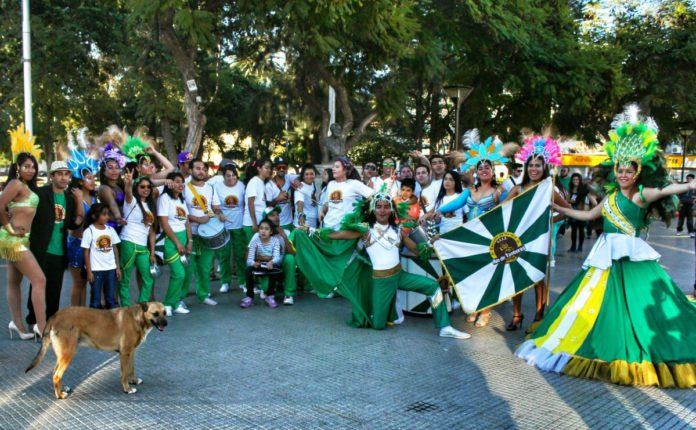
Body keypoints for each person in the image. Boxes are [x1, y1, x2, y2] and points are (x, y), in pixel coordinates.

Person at [516, 106, 696, 388]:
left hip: (631, 259)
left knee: (637, 304)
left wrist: (688, 186)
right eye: (620, 170)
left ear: (637, 173)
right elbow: (587, 215)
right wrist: (553, 206)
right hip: (605, 258)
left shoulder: (640, 195)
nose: (623, 174)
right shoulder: (610, 197)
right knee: (599, 303)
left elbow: (667, 190)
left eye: (629, 170)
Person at [325, 192, 470, 339]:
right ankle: (385, 308)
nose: (382, 210)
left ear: (392, 210)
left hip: (400, 276)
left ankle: (445, 327)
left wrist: (431, 242)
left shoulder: (399, 230)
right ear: (373, 210)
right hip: (380, 282)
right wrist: (311, 232)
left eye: (387, 207)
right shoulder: (365, 230)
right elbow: (337, 235)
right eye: (379, 207)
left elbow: (417, 251)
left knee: (433, 287)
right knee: (378, 325)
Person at [428, 133, 509, 327]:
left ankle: (486, 311)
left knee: (487, 274)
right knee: (473, 274)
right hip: (471, 237)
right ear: (476, 171)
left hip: (489, 237)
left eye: (487, 167)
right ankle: (475, 306)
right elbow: (454, 204)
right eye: (480, 167)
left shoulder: (499, 191)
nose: (483, 170)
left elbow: (508, 211)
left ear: (493, 170)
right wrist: (435, 211)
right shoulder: (470, 191)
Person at [504, 136, 569, 331]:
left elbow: (567, 210)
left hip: (539, 240)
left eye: (538, 166)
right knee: (517, 277)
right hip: (518, 239)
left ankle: (539, 314)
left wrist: (549, 221)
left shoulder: (548, 188)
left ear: (544, 168)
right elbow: (500, 211)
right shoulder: (518, 189)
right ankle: (517, 314)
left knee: (538, 277)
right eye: (530, 165)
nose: (533, 169)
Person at [26, 160, 84, 333]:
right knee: (37, 286)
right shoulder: (40, 193)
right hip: (40, 249)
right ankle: (33, 320)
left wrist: (79, 200)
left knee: (55, 289)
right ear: (51, 176)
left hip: (59, 251)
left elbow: (75, 223)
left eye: (67, 174)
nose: (63, 177)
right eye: (59, 173)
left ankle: (51, 323)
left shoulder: (69, 198)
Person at [0, 127, 47, 339]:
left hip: (20, 239)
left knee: (13, 282)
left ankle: (17, 325)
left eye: (33, 167)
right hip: (12, 240)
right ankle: (41, 326)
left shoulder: (25, 186)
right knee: (39, 279)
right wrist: (10, 227)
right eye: (26, 166)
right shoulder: (16, 183)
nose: (31, 170)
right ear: (17, 167)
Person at [183, 158, 223, 306]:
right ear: (190, 170)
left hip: (207, 234)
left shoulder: (210, 188)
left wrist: (220, 213)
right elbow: (178, 211)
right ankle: (180, 298)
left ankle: (203, 294)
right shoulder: (183, 186)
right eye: (198, 168)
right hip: (189, 234)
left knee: (205, 267)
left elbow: (216, 207)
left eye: (204, 169)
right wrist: (197, 219)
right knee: (188, 267)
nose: (201, 171)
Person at [65, 130, 99, 306]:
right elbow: (77, 220)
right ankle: (73, 317)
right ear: (79, 181)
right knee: (78, 282)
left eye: (93, 178)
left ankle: (82, 315)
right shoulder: (74, 196)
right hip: (76, 243)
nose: (92, 181)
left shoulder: (94, 198)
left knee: (86, 280)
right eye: (88, 178)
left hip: (90, 244)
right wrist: (78, 199)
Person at [117, 172, 157, 306]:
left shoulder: (151, 206)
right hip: (129, 241)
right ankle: (125, 308)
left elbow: (152, 231)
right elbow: (128, 192)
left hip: (142, 247)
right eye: (142, 186)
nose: (146, 189)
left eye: (148, 187)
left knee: (148, 278)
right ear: (137, 188)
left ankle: (143, 306)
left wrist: (152, 252)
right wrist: (128, 183)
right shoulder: (132, 201)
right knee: (125, 278)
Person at [159, 172, 193, 316]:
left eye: (182, 182)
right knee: (178, 274)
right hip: (170, 241)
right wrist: (178, 243)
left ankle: (177, 301)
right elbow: (164, 223)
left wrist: (190, 241)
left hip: (184, 238)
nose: (181, 185)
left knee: (187, 273)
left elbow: (186, 222)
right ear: (170, 183)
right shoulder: (164, 198)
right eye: (177, 182)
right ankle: (167, 303)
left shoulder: (181, 200)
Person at [213, 164, 247, 294]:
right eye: (228, 175)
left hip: (239, 225)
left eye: (233, 175)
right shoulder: (217, 187)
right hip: (223, 226)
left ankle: (243, 281)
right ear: (223, 176)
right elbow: (214, 205)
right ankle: (225, 282)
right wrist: (219, 214)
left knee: (240, 255)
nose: (231, 178)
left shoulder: (242, 186)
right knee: (224, 256)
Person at [82, 203, 121, 309]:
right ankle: (94, 323)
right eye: (104, 214)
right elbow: (86, 252)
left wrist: (117, 267)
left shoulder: (110, 230)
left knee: (111, 298)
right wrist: (89, 271)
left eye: (107, 214)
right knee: (95, 299)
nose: (107, 217)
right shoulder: (89, 231)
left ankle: (111, 322)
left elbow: (115, 249)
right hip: (96, 270)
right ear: (94, 216)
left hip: (111, 269)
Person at [319, 156, 375, 230]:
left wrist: (364, 211)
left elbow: (374, 196)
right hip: (328, 226)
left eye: (337, 167)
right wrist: (322, 210)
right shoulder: (331, 184)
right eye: (333, 167)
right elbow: (329, 203)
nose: (333, 169)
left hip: (345, 229)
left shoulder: (354, 184)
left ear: (345, 170)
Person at [240, 218, 282, 309]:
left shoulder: (275, 241)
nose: (263, 231)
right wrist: (253, 263)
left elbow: (277, 257)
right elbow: (249, 260)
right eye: (261, 228)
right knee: (248, 270)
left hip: (270, 265)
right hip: (259, 265)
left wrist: (271, 261)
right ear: (258, 230)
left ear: (271, 232)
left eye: (266, 229)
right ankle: (249, 297)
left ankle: (270, 296)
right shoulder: (255, 241)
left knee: (275, 269)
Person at [242, 158, 272, 243]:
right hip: (251, 223)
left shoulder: (261, 182)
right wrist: (254, 223)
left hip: (259, 222)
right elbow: (250, 203)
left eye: (270, 168)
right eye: (266, 168)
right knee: (252, 251)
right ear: (259, 168)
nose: (269, 170)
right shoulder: (254, 182)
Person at [265, 157, 294, 231]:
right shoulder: (269, 185)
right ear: (275, 169)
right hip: (276, 223)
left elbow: (302, 177)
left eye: (284, 167)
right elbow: (267, 206)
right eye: (279, 167)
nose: (281, 169)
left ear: (287, 169)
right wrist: (277, 199)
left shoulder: (289, 179)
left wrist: (297, 181)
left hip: (289, 222)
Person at [432, 170, 464, 235]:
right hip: (443, 235)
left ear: (456, 182)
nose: (447, 181)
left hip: (458, 234)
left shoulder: (461, 197)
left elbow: (467, 214)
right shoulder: (439, 199)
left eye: (451, 179)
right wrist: (437, 220)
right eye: (445, 179)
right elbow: (438, 221)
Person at [566, 172, 588, 252]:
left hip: (581, 211)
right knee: (574, 230)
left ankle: (580, 246)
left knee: (581, 229)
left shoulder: (584, 189)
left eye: (577, 179)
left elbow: (588, 198)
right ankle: (573, 246)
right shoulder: (571, 189)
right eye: (574, 179)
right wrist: (569, 201)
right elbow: (568, 199)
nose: (575, 181)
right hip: (573, 211)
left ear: (580, 180)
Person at [294, 163, 319, 229]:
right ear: (303, 175)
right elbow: (300, 203)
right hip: (304, 223)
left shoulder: (313, 184)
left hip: (313, 221)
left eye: (311, 174)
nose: (309, 177)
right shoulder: (300, 186)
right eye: (306, 174)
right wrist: (301, 218)